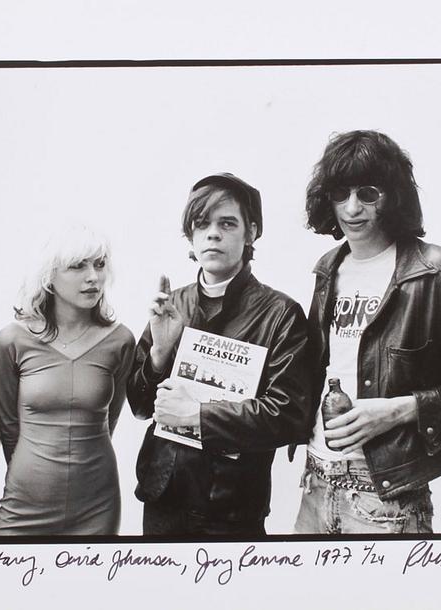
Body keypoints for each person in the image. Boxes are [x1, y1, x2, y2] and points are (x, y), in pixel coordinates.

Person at [294, 130, 441, 534]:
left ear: (393, 196)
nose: (352, 208)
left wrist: (401, 409)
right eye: (340, 193)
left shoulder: (439, 274)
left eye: (368, 193)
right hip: (315, 483)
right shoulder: (327, 269)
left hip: (385, 499)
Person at [128, 173, 310, 537]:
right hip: (163, 499)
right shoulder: (172, 304)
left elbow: (288, 415)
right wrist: (160, 354)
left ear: (251, 233)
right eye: (202, 224)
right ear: (191, 237)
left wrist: (198, 415)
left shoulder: (281, 313)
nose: (213, 233)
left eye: (227, 223)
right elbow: (139, 405)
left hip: (232, 509)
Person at [0, 224, 135, 535]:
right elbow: (7, 427)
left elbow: (110, 421)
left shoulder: (121, 340)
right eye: (77, 266)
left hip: (97, 503)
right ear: (48, 276)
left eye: (99, 264)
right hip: (25, 502)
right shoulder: (12, 340)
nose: (93, 277)